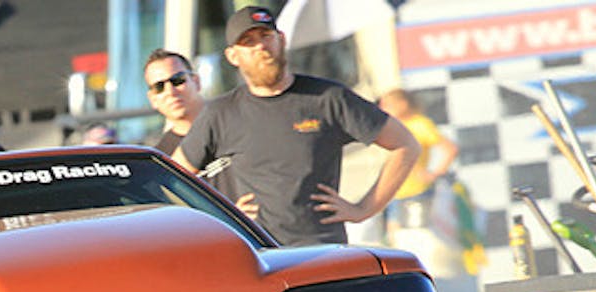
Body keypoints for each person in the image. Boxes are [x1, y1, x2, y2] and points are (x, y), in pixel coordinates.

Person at [173, 6, 419, 247]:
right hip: (260, 257)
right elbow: (172, 179)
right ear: (233, 56)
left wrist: (363, 209)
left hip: (323, 250)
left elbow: (405, 145)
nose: (260, 46)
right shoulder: (220, 113)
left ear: (281, 40)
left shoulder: (328, 98)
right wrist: (222, 217)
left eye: (266, 36)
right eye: (248, 41)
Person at [377, 88, 459, 235]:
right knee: (394, 238)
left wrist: (435, 173)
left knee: (416, 236)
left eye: (387, 105)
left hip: (415, 192)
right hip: (393, 191)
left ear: (402, 104)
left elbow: (450, 148)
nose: (382, 109)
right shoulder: (391, 126)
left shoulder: (420, 124)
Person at [144, 48, 206, 156]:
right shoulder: (162, 158)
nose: (170, 92)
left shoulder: (234, 120)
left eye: (177, 80)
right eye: (159, 87)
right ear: (152, 99)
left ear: (196, 82)